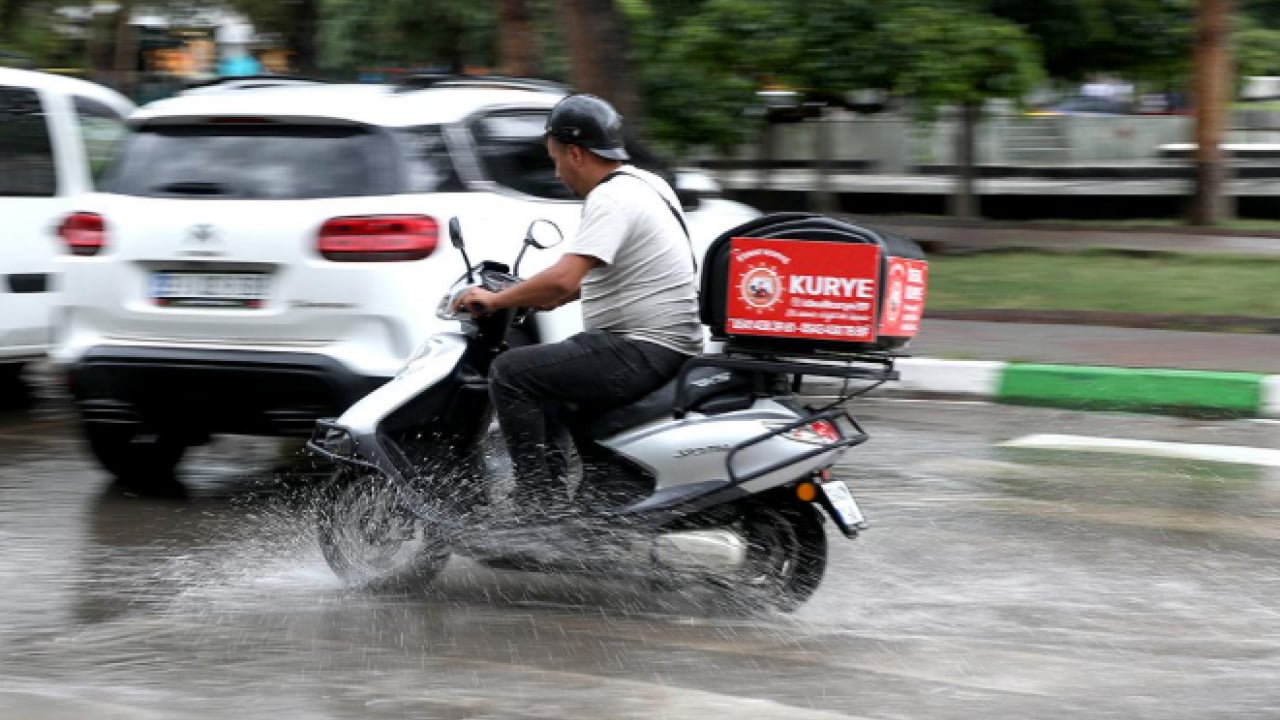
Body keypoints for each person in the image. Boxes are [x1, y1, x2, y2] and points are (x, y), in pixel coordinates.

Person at [455, 93, 702, 523]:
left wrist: (496, 299)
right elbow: (603, 278)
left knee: (511, 373)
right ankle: (583, 505)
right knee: (548, 371)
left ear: (575, 152)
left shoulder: (610, 200)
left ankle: (536, 508)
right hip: (665, 344)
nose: (557, 171)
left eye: (556, 160)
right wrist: (534, 295)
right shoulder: (647, 184)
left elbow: (565, 278)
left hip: (643, 347)